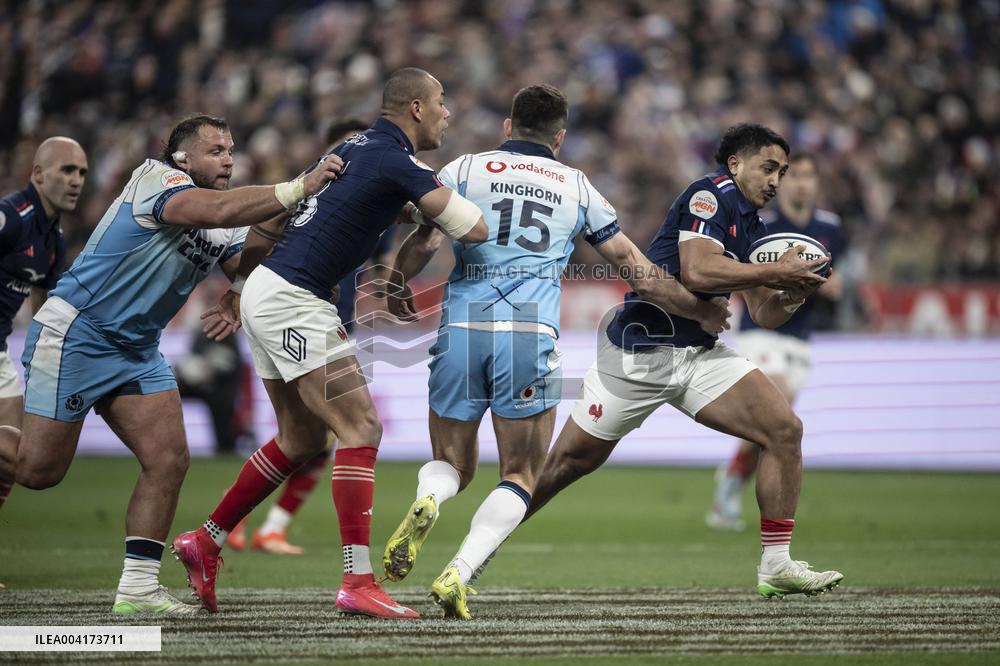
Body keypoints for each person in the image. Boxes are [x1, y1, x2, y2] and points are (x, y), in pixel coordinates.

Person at [378, 84, 731, 619]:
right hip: (528, 335)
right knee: (521, 474)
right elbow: (635, 270)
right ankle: (460, 571)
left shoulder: (466, 169)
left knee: (450, 462)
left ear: (507, 126)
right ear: (559, 137)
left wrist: (394, 283)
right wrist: (696, 309)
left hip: (461, 330)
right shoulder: (577, 187)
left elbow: (426, 240)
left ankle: (430, 497)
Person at [171, 68, 488, 619]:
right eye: (441, 102)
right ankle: (357, 580)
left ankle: (206, 539)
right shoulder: (399, 161)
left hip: (271, 291)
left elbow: (276, 219)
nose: (448, 112)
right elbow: (475, 228)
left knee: (301, 439)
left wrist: (240, 287)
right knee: (361, 428)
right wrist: (440, 205)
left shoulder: (353, 146)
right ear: (415, 107)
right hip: (297, 298)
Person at [0, 114, 343, 614]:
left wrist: (251, 286)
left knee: (168, 460)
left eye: (231, 149)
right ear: (183, 158)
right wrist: (297, 187)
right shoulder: (156, 179)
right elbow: (219, 210)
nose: (228, 158)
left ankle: (137, 589)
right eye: (216, 150)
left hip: (137, 350)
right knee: (37, 470)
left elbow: (256, 262)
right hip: (78, 334)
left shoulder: (224, 222)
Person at [521, 124, 844, 600]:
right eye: (768, 167)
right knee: (565, 465)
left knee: (784, 430)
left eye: (783, 171)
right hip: (641, 353)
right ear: (735, 163)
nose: (777, 179)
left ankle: (776, 563)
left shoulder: (753, 226)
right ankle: (479, 546)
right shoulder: (708, 196)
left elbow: (763, 313)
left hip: (698, 355)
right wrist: (777, 269)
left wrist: (793, 293)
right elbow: (698, 269)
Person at [225, 118, 396, 556]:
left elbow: (379, 260)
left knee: (311, 438)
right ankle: (252, 526)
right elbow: (269, 229)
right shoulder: (313, 187)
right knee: (344, 429)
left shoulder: (376, 193)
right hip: (295, 308)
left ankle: (242, 528)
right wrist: (240, 289)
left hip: (328, 312)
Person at [707, 152, 844, 531]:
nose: (802, 183)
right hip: (761, 330)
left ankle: (731, 482)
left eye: (808, 175)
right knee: (779, 405)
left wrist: (832, 284)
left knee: (774, 426)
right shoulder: (763, 223)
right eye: (794, 175)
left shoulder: (830, 227)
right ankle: (733, 492)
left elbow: (835, 275)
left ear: (816, 182)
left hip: (800, 337)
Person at [0, 137, 88, 593]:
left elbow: (45, 312)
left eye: (81, 173)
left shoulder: (52, 238)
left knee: (18, 458)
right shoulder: (12, 218)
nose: (75, 181)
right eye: (66, 170)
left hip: (1, 353)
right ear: (38, 174)